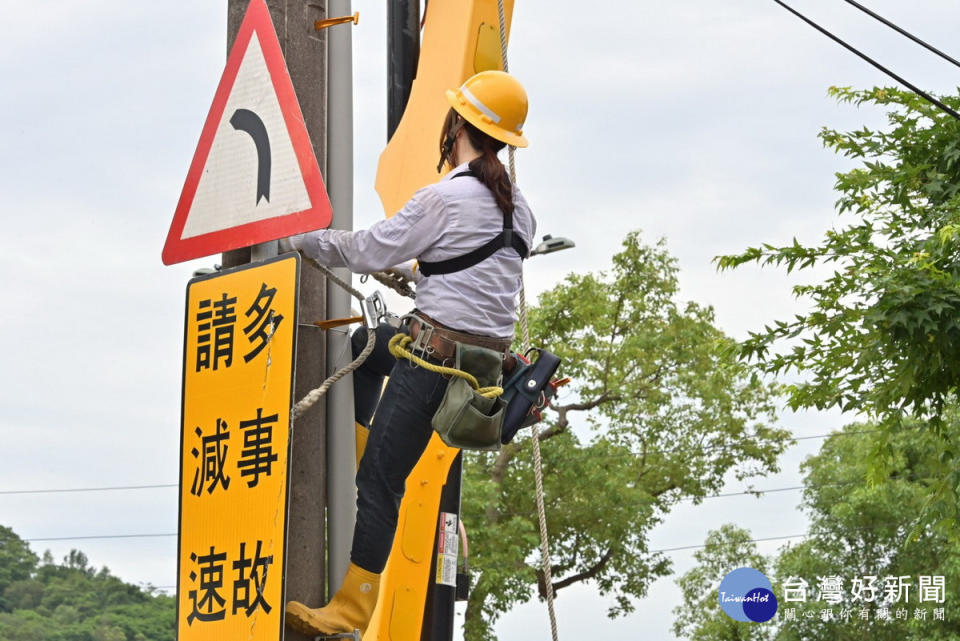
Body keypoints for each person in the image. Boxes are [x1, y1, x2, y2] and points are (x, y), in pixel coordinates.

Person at [284, 69, 536, 637]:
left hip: (433, 361)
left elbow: (366, 248)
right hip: (480, 373)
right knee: (363, 351)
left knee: (380, 483)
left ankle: (351, 609)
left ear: (456, 125)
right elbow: (471, 277)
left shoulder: (444, 197)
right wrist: (414, 273)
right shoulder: (520, 210)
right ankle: (363, 445)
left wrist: (302, 240)